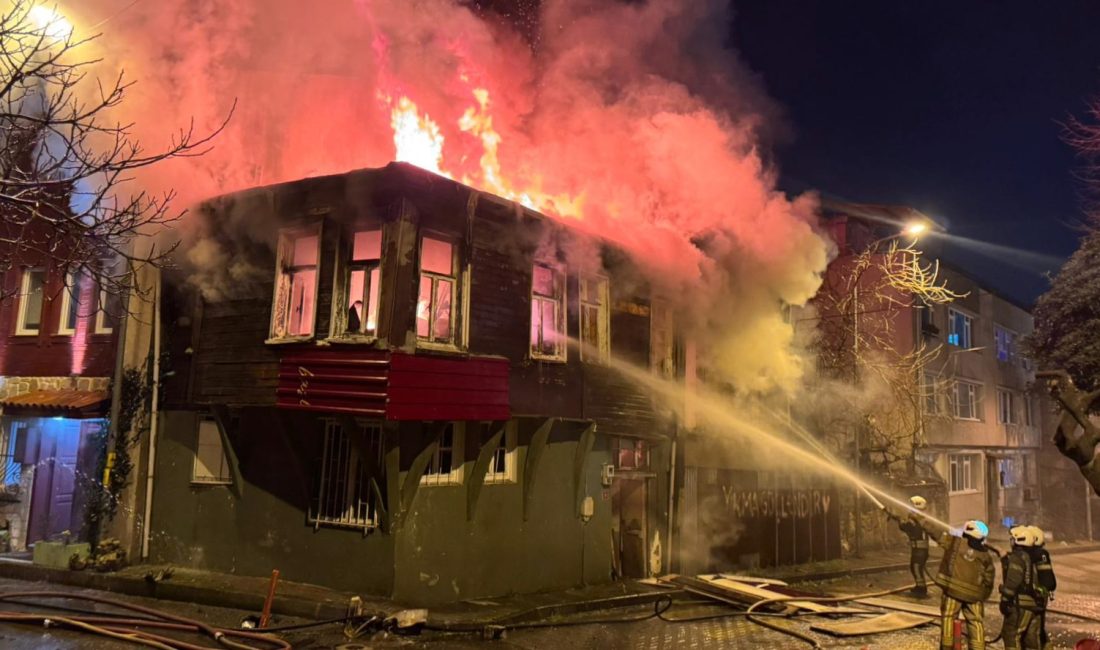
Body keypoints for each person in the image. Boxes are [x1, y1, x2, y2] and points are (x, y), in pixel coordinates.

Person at [923, 519, 996, 650]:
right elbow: (989, 579)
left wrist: (921, 519)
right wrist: (982, 595)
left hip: (953, 592)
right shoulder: (986, 555)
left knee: (948, 618)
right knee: (976, 622)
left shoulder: (954, 542)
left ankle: (947, 647)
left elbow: (936, 533)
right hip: (974, 596)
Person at [1000, 525, 1042, 649]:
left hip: (1019, 605)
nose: (1010, 542)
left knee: (1011, 635)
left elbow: (1013, 581)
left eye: (1012, 539)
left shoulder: (1017, 558)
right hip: (1031, 605)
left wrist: (1005, 599)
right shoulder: (1030, 558)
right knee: (1030, 641)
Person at [885, 495, 931, 597]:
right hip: (920, 550)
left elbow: (905, 527)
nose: (909, 510)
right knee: (915, 567)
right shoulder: (920, 519)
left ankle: (921, 589)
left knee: (916, 568)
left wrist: (899, 521)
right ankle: (920, 586)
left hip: (919, 551)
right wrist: (894, 516)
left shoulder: (917, 521)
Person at [1026, 525, 1056, 650]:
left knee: (1033, 631)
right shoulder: (1041, 555)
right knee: (1039, 628)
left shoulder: (1034, 555)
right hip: (1040, 597)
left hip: (1035, 598)